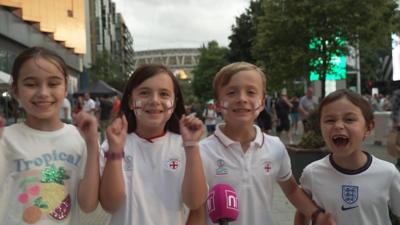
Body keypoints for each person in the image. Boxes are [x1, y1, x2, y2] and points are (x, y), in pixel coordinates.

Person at [197, 62, 335, 225]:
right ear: (218, 104)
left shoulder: (275, 147)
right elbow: (195, 206)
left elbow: (291, 190)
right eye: (232, 92)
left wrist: (316, 215)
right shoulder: (202, 151)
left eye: (251, 92)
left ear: (262, 103)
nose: (242, 99)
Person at [0, 47, 100, 225]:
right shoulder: (6, 138)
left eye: (53, 84)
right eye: (31, 84)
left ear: (65, 87)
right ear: (15, 91)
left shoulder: (79, 139)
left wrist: (93, 144)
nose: (43, 93)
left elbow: (88, 205)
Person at [99, 64, 208, 225]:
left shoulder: (185, 146)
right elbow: (110, 205)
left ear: (174, 102)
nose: (154, 101)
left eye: (164, 94)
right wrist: (115, 151)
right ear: (130, 101)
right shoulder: (111, 145)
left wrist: (191, 146)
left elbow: (195, 202)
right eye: (144, 93)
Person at [294, 89, 400, 225]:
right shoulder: (312, 173)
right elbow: (302, 212)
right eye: (330, 120)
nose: (338, 125)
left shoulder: (388, 173)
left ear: (368, 127)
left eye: (349, 119)